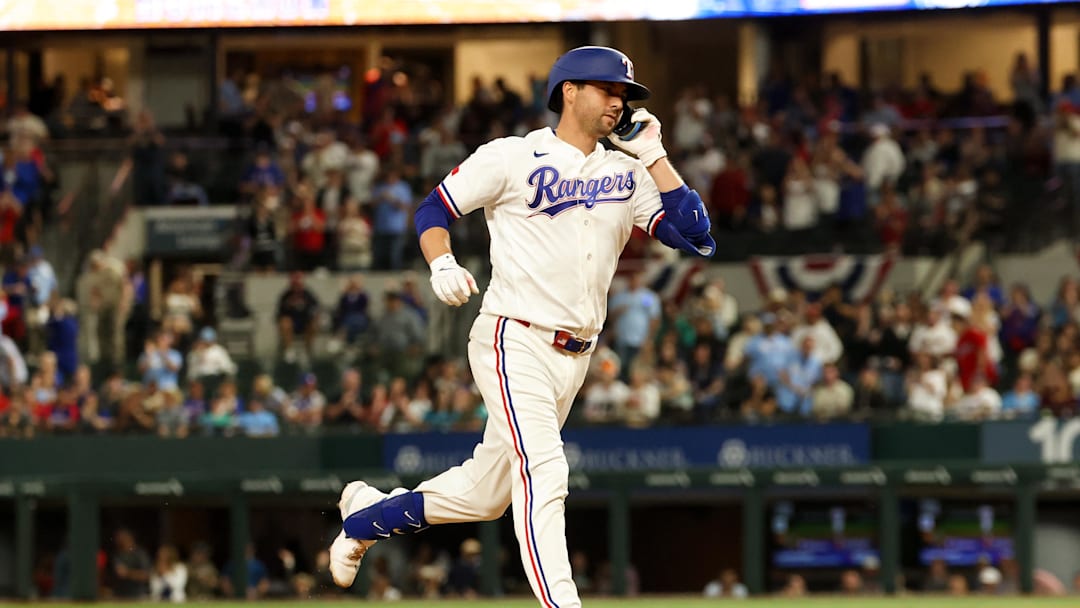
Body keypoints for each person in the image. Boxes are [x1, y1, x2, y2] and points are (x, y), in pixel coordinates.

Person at [327, 46, 714, 608]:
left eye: (625, 94)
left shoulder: (627, 172)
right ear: (569, 91)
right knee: (545, 468)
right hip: (515, 336)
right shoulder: (513, 156)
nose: (619, 101)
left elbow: (697, 237)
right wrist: (441, 261)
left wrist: (655, 155)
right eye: (608, 89)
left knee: (488, 495)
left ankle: (366, 517)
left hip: (575, 356)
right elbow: (433, 210)